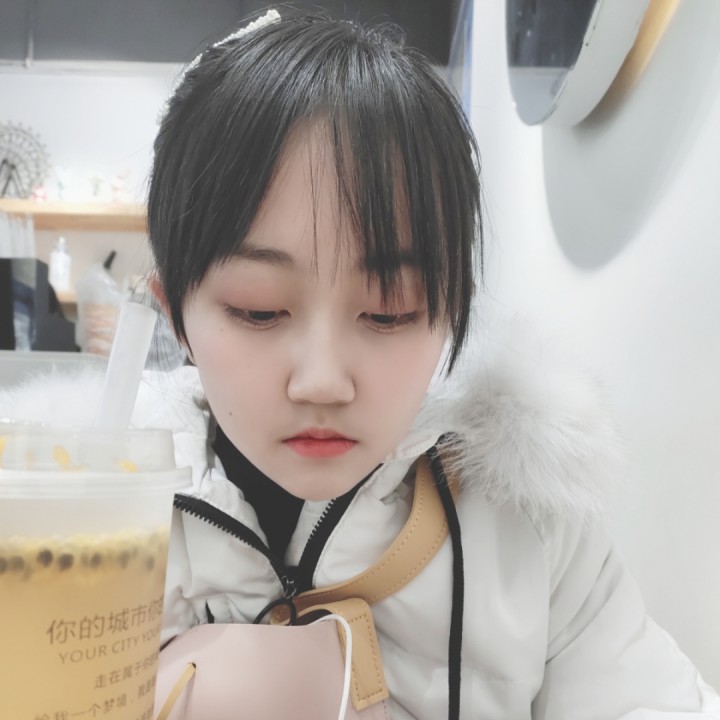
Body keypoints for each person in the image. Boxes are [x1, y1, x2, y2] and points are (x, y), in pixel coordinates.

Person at [3, 9, 719, 719]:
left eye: (389, 311)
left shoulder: (532, 523)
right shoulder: (58, 521)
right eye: (259, 310)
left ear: (450, 308)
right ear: (173, 314)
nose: (322, 381)